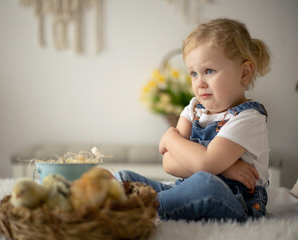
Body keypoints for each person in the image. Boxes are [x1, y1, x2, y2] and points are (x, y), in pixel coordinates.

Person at [115, 18, 271, 222]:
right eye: (193, 74)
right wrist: (227, 167)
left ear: (244, 72)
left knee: (205, 183)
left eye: (209, 71)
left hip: (235, 202)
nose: (200, 82)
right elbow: (169, 163)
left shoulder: (248, 118)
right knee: (124, 178)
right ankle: (124, 196)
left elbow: (205, 164)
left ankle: (150, 205)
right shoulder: (194, 108)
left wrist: (171, 138)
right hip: (187, 190)